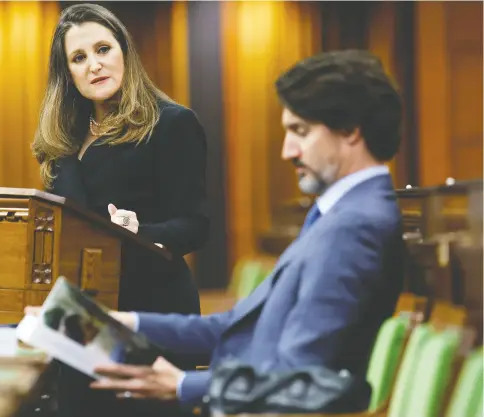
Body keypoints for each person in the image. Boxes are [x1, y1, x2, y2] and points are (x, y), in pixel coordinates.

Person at [87, 50, 406, 412]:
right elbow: (238, 327)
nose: (288, 151)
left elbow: (304, 379)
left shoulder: (355, 226)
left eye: (300, 131)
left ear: (350, 130)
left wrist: (183, 385)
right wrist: (126, 322)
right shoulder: (341, 214)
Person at [30, 3, 209, 416]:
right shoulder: (62, 143)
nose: (94, 64)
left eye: (103, 49)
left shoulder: (171, 124)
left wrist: (139, 229)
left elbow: (197, 226)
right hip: (82, 313)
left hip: (151, 310)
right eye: (79, 57)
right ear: (67, 74)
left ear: (123, 52)